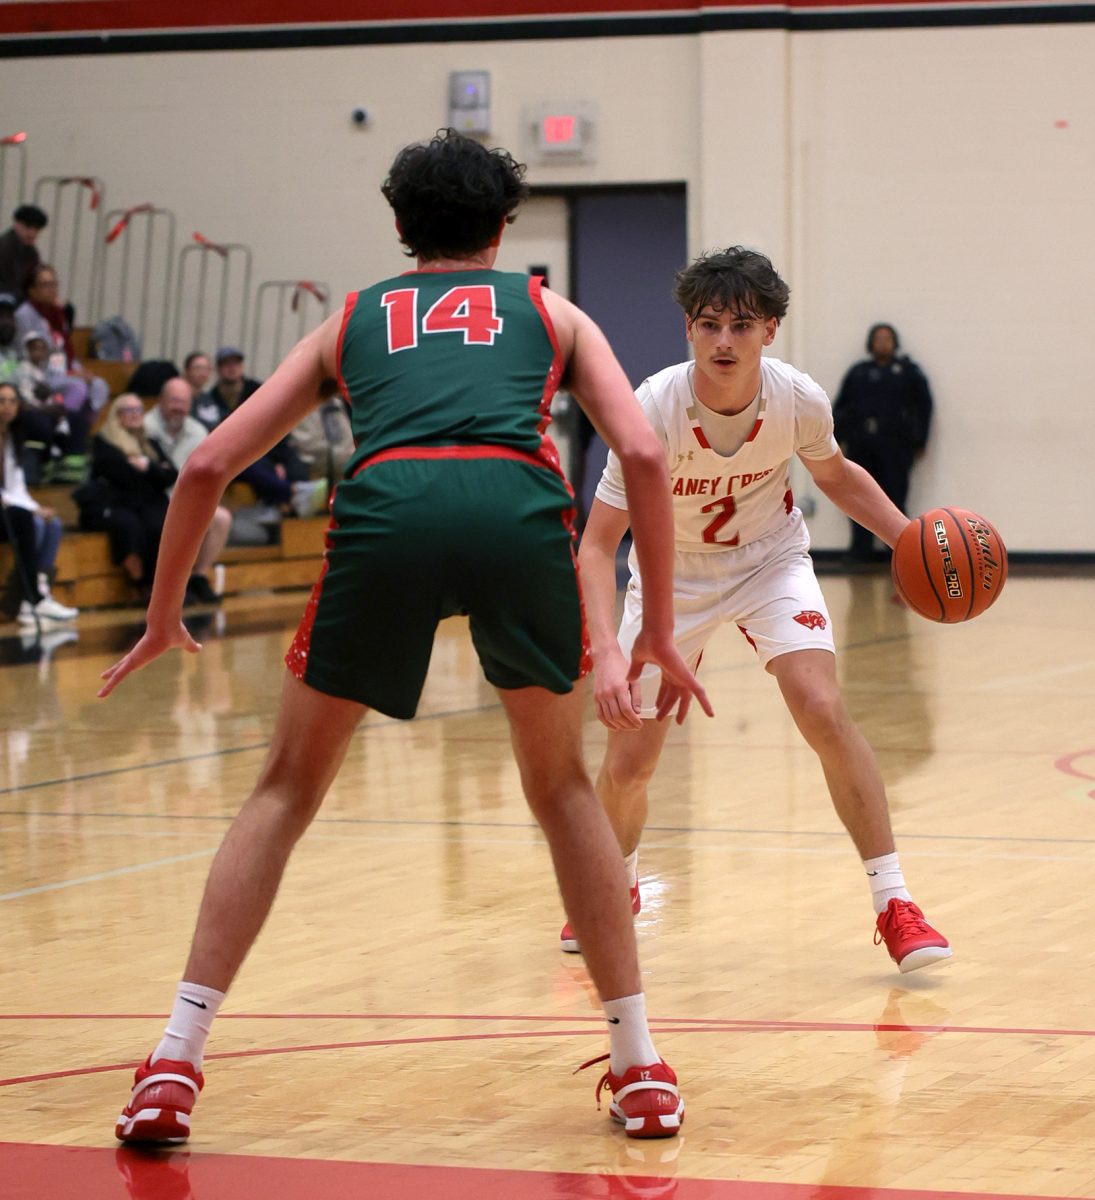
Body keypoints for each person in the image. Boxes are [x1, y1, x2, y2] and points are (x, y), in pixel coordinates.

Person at [100, 129, 710, 1146]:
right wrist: (655, 628)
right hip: (516, 508)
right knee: (563, 792)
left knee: (285, 790)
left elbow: (206, 464)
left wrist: (166, 615)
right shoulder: (549, 310)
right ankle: (640, 1065)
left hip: (389, 506)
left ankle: (174, 1058)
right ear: (504, 228)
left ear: (399, 228)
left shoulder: (350, 319)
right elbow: (640, 448)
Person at [562, 246, 949, 975]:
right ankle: (612, 885)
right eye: (709, 325)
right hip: (669, 574)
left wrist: (907, 540)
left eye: (741, 325)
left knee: (821, 707)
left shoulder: (797, 399)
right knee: (632, 759)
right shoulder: (650, 408)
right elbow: (596, 545)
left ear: (770, 329)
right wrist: (607, 654)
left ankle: (894, 902)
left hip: (769, 561)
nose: (723, 342)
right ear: (687, 328)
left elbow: (834, 475)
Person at [833, 323, 933, 563]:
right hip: (862, 444)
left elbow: (924, 406)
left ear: (895, 342)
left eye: (887, 339)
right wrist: (839, 439)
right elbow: (840, 407)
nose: (883, 343)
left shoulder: (908, 372)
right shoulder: (858, 372)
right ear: (871, 343)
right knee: (859, 499)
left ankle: (899, 552)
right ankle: (860, 550)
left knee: (895, 498)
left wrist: (919, 439)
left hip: (896, 446)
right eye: (878, 339)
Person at [194, 346, 326, 519]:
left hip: (267, 447)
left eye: (236, 363)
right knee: (252, 463)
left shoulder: (257, 390)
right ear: (218, 369)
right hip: (240, 455)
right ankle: (292, 495)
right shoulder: (210, 401)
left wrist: (278, 460)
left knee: (295, 463)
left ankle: (291, 512)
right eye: (227, 364)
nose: (232, 367)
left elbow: (275, 424)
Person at [76, 393, 177, 597]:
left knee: (160, 525)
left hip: (148, 503)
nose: (135, 414)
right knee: (132, 526)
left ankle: (163, 585)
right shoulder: (104, 442)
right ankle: (141, 581)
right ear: (117, 415)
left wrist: (147, 467)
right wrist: (154, 470)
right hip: (118, 502)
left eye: (139, 409)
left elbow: (171, 474)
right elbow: (120, 474)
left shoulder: (150, 443)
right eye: (128, 410)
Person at [144, 377, 231, 605]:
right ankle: (172, 586)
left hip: (185, 498)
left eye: (184, 402)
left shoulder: (198, 431)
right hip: (152, 497)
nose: (179, 407)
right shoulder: (144, 427)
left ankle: (198, 577)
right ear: (160, 400)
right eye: (174, 400)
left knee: (221, 518)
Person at [0, 381, 79, 625]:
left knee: (51, 523)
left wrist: (36, 507)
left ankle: (37, 595)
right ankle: (30, 597)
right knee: (27, 521)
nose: (7, 406)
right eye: (1, 400)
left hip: (9, 506)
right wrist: (29, 510)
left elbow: (16, 487)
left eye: (12, 401)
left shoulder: (13, 438)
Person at [14, 263, 109, 418]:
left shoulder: (57, 314)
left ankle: (82, 428)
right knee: (78, 387)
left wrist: (78, 370)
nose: (52, 289)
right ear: (32, 290)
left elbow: (65, 350)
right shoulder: (24, 315)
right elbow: (23, 355)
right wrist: (70, 376)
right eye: (45, 285)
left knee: (99, 386)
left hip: (62, 371)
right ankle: (61, 426)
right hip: (39, 375)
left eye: (54, 284)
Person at [0, 204, 48, 302]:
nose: (32, 233)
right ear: (17, 224)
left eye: (37, 229)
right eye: (28, 227)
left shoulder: (32, 253)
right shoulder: (4, 247)